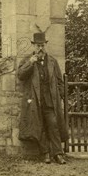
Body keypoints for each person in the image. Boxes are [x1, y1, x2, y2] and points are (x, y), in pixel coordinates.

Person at [17, 32, 68, 164]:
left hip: (50, 100)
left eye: (42, 45)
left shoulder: (52, 61)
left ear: (46, 45)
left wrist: (60, 95)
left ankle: (58, 154)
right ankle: (45, 153)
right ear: (33, 46)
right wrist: (30, 63)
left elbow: (60, 81)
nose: (40, 48)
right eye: (38, 45)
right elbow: (20, 75)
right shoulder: (28, 60)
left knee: (53, 124)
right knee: (39, 126)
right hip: (35, 100)